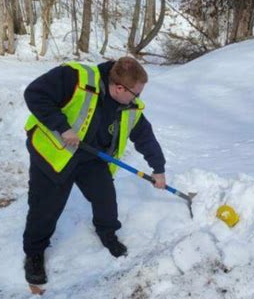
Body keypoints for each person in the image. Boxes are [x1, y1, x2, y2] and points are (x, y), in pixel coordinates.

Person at [22, 56, 166, 286]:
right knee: (45, 207)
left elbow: (144, 136)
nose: (138, 98)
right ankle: (34, 253)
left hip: (91, 158)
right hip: (54, 154)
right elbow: (34, 94)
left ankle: (107, 233)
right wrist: (63, 126)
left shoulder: (128, 105)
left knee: (105, 197)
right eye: (136, 93)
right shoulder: (74, 78)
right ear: (119, 88)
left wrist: (158, 168)